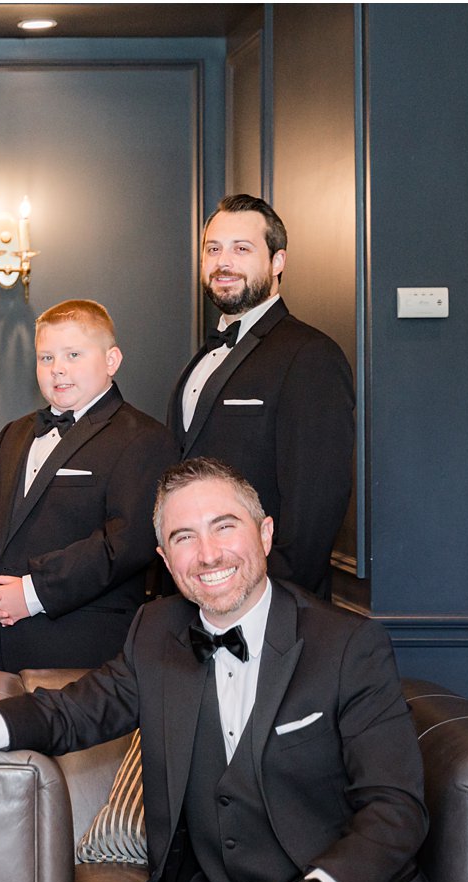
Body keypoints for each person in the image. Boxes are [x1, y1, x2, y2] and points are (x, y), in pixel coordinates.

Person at [0, 457, 457, 882]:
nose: (208, 554)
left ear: (265, 532)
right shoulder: (156, 632)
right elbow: (71, 713)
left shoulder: (347, 646)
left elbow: (396, 809)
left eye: (224, 527)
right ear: (163, 556)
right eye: (184, 538)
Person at [167, 194, 354, 598]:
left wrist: (268, 603)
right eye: (213, 249)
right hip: (195, 594)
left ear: (277, 262)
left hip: (269, 603)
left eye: (242, 248)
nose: (223, 262)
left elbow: (315, 506)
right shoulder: (203, 358)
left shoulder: (311, 355)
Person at [0, 299, 176, 670]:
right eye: (46, 358)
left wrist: (32, 593)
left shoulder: (145, 438)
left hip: (81, 644)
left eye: (73, 355)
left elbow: (125, 544)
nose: (58, 370)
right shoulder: (14, 433)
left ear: (111, 360)